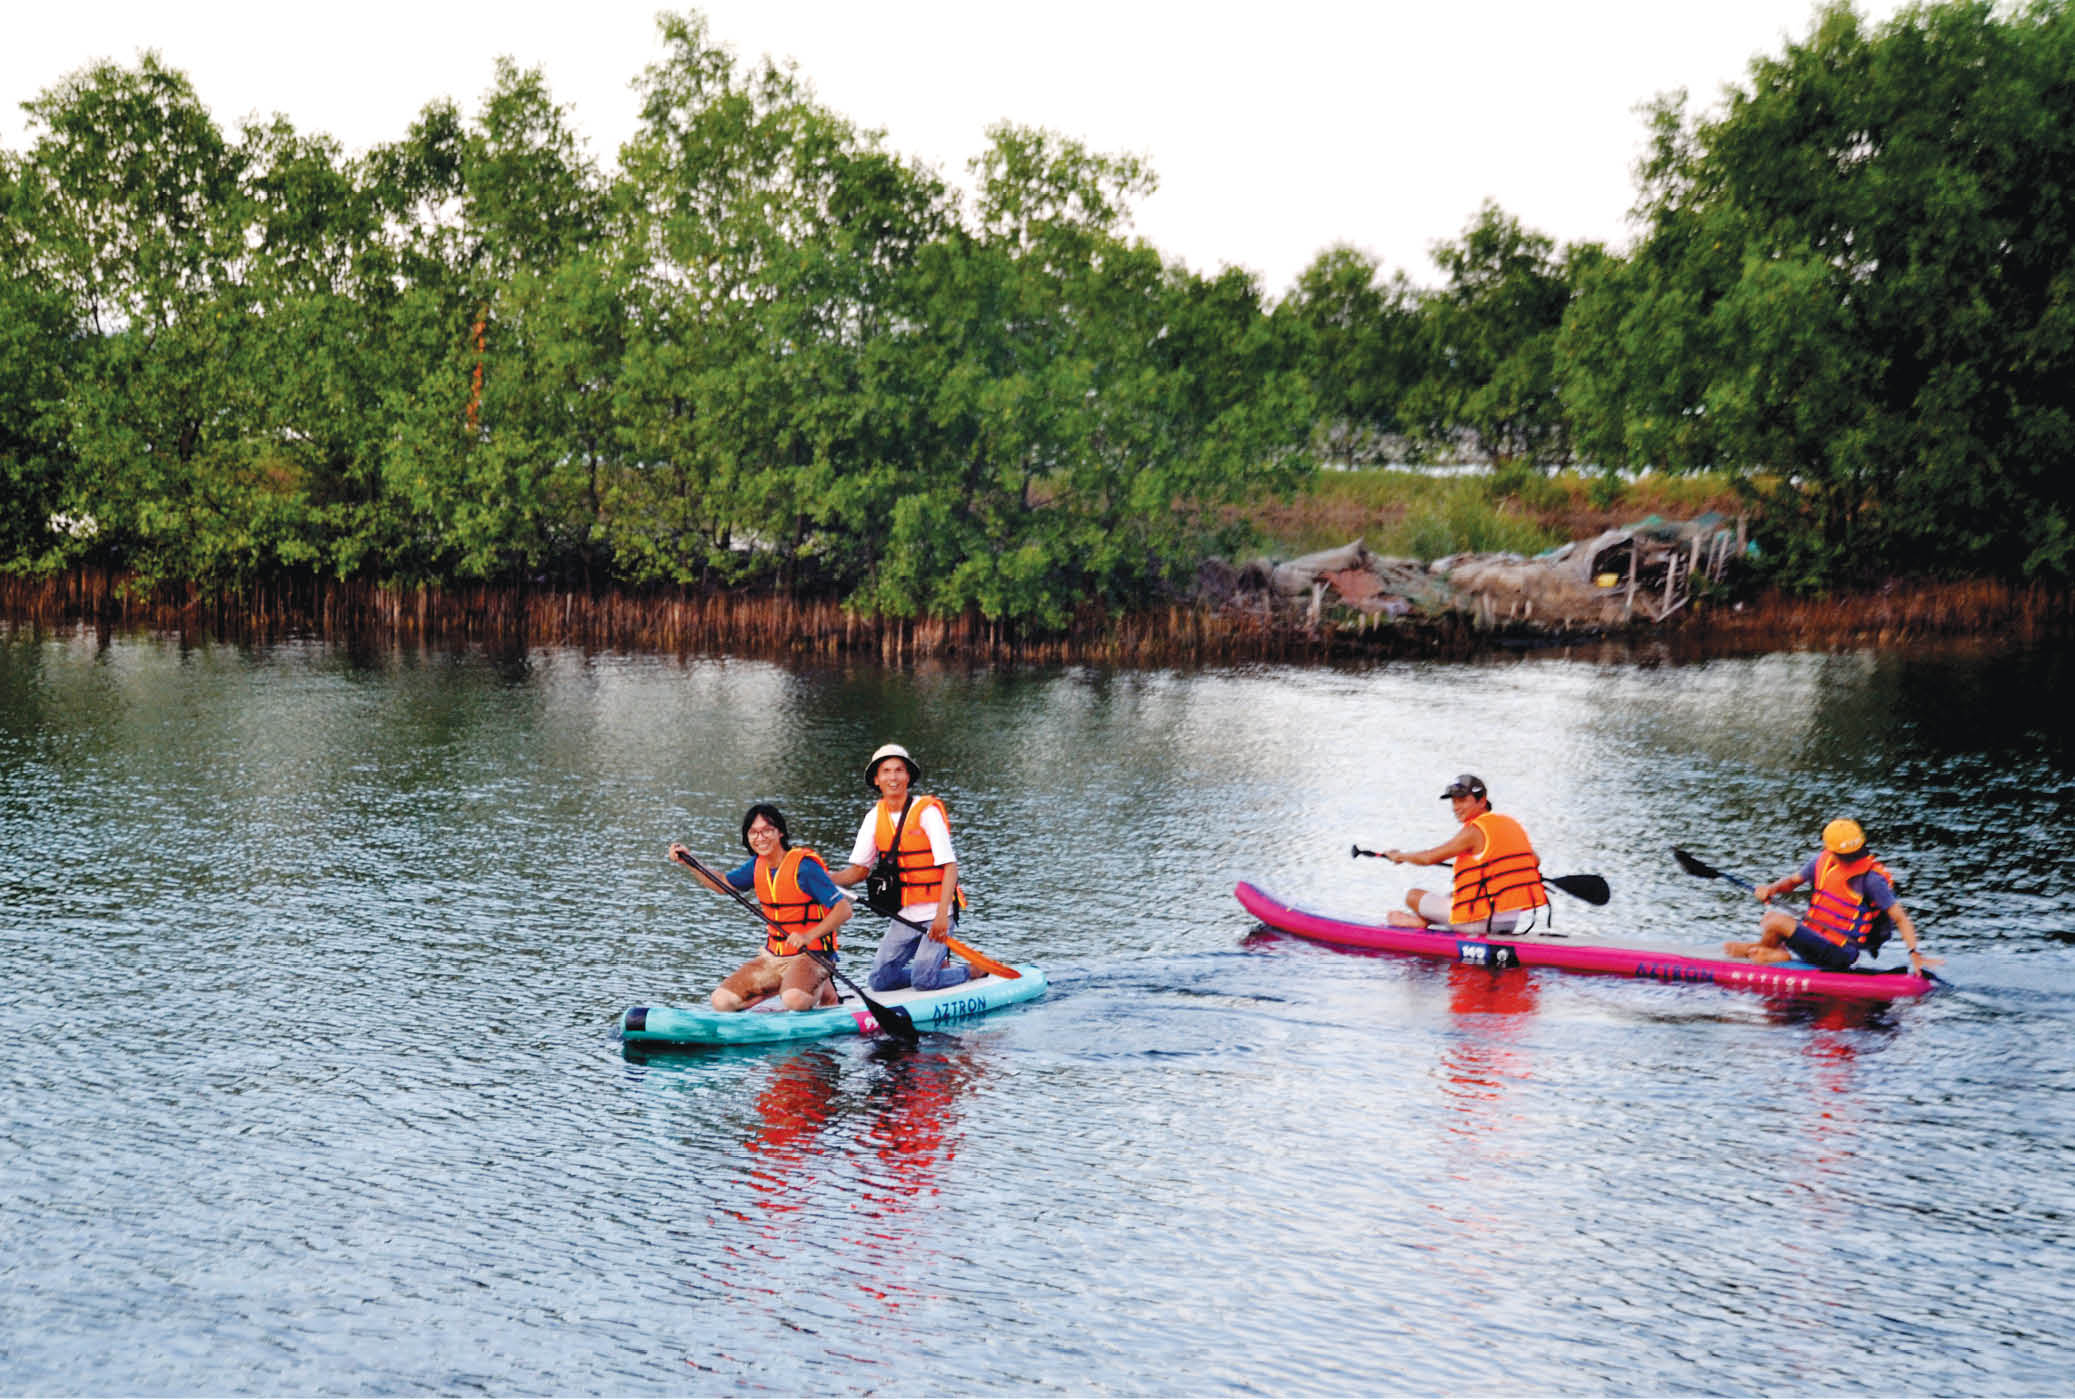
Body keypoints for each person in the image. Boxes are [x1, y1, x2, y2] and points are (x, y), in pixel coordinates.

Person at [671, 803, 852, 1012]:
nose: (760, 837)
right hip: (774, 956)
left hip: (812, 955)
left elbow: (843, 909)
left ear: (780, 833)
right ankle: (785, 989)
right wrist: (691, 863)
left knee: (794, 999)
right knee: (721, 1001)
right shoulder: (757, 865)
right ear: (748, 837)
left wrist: (808, 936)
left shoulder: (806, 867)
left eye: (767, 830)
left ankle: (823, 990)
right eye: (754, 832)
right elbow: (721, 884)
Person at [829, 742, 976, 992]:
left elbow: (950, 867)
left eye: (899, 770)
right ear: (876, 780)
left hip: (937, 913)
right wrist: (823, 876)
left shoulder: (927, 812)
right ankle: (932, 968)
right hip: (904, 915)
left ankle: (970, 970)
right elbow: (858, 871)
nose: (893, 777)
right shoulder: (873, 817)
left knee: (922, 981)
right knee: (879, 982)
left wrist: (942, 915)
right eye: (886, 771)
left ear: (908, 776)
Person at [1724, 818, 1927, 974]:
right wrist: (1771, 888)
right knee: (1769, 920)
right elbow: (1792, 882)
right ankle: (1766, 951)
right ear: (1830, 850)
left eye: (1854, 855)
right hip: (1817, 939)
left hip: (1841, 952)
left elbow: (1901, 918)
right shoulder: (1822, 862)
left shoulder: (1872, 880)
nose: (1850, 861)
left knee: (1776, 921)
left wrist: (1914, 953)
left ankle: (1773, 954)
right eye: (1845, 856)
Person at [1378, 773, 1551, 934]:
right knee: (1451, 896)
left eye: (1462, 800)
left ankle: (1420, 923)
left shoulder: (1473, 831)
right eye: (1453, 801)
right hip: (1509, 921)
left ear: (1482, 801)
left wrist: (1400, 856)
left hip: (1479, 923)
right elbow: (1534, 860)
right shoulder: (1510, 824)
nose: (1456, 807)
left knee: (1413, 896)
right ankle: (1423, 920)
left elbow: (1429, 857)